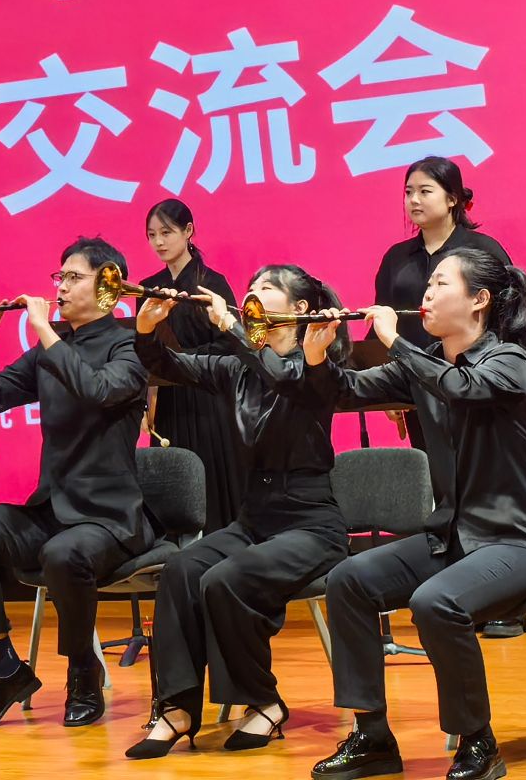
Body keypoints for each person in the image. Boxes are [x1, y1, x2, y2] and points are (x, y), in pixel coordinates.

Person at [312, 249, 526, 780]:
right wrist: (316, 357)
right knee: (348, 580)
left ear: (479, 300)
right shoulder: (422, 363)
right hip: (453, 535)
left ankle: (478, 742)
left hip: (521, 540)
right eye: (427, 284)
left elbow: (463, 388)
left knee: (435, 602)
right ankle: (372, 737)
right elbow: (343, 392)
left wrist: (396, 343)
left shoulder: (510, 361)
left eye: (440, 284)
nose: (426, 294)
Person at [125, 266, 350, 758]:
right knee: (182, 569)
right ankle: (176, 708)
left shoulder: (316, 370)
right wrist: (146, 329)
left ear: (299, 309)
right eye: (251, 285)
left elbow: (283, 378)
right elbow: (168, 365)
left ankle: (263, 702)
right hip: (255, 517)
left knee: (226, 578)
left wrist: (230, 327)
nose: (251, 292)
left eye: (267, 287)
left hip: (311, 523)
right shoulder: (237, 368)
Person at [0, 236, 151, 730]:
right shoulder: (52, 348)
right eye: (60, 277)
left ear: (107, 285)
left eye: (73, 277)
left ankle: (83, 671)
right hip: (54, 510)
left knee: (63, 553)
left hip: (108, 518)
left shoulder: (130, 346)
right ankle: (3, 666)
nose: (61, 287)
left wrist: (45, 331)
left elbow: (97, 390)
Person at [371, 158, 510, 437]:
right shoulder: (396, 258)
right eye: (408, 192)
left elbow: (509, 318)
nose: (414, 200)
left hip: (476, 383)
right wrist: (385, 387)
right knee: (429, 461)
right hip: (417, 385)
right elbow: (381, 325)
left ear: (452, 199)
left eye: (425, 191)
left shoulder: (482, 251)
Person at [138, 198, 245, 531]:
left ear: (188, 231)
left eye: (166, 232)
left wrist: (185, 360)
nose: (159, 242)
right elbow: (145, 353)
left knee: (212, 479)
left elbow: (232, 343)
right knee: (173, 486)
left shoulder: (212, 283)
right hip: (170, 399)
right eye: (152, 235)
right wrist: (146, 405)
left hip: (210, 397)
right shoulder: (149, 288)